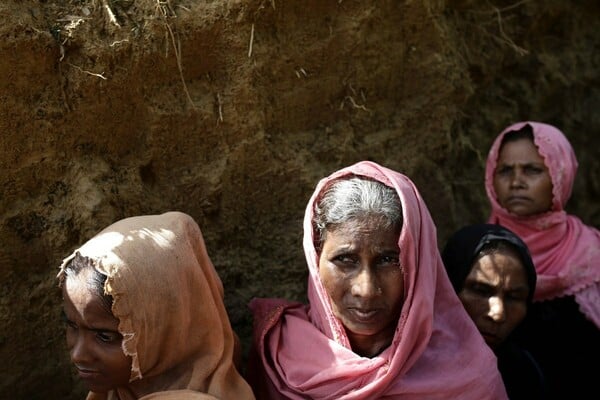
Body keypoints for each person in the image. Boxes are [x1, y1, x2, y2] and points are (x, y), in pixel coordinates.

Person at [247, 161, 508, 399]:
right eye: (345, 260)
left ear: (418, 264)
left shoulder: (468, 377)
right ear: (315, 260)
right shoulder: (281, 356)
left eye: (388, 261)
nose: (367, 290)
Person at [58, 211, 255, 400]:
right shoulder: (124, 388)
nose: (78, 355)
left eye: (104, 336)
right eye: (72, 326)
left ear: (166, 330)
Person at [485, 121, 600, 399]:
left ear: (561, 176)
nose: (516, 182)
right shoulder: (477, 254)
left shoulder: (591, 254)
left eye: (532, 170)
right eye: (505, 171)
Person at [441, 223, 547, 399]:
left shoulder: (525, 375)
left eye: (514, 297)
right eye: (481, 291)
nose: (497, 313)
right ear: (448, 288)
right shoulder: (407, 367)